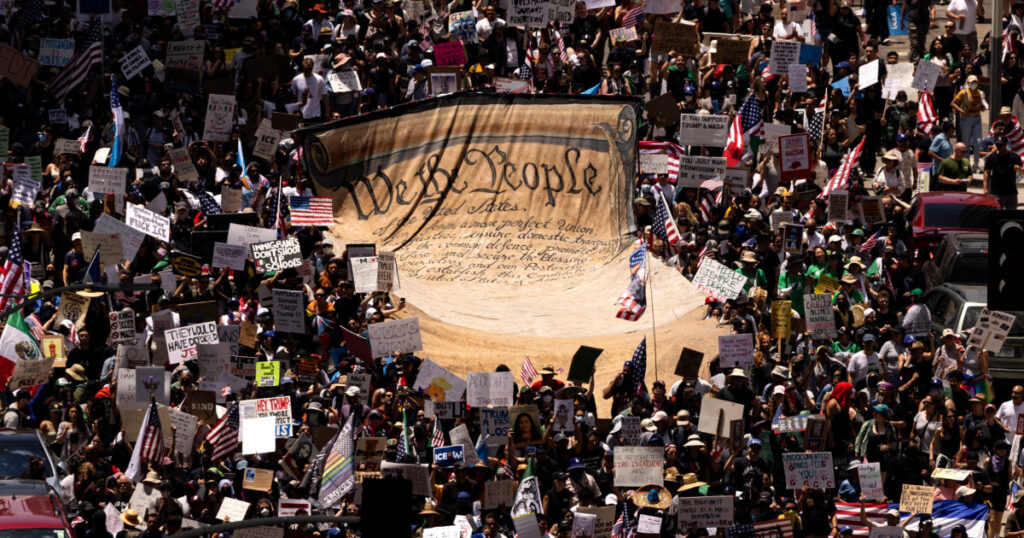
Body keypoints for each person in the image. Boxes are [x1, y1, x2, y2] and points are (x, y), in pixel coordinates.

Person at [983, 135, 1023, 209]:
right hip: (996, 193)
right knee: (997, 216)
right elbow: (986, 172)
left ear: (1006, 144)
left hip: (1011, 193)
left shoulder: (1014, 157)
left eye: (1001, 145)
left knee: (1011, 217)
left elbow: (1022, 171)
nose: (999, 147)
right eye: (997, 144)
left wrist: (1019, 169)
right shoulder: (992, 157)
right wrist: (985, 188)